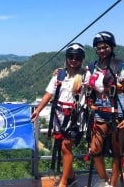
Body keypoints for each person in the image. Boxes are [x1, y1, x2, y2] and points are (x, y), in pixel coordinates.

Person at [31, 43, 87, 187]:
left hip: (74, 118)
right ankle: (71, 176)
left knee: (65, 148)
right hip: (59, 117)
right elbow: (49, 94)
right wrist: (38, 110)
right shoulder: (60, 75)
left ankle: (63, 181)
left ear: (82, 59)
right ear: (66, 58)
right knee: (63, 148)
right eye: (70, 57)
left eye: (77, 58)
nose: (73, 60)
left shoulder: (86, 76)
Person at [86, 31, 124, 187]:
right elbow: (83, 82)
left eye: (104, 47)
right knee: (94, 149)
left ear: (111, 47)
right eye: (98, 48)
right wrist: (61, 71)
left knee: (117, 152)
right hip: (99, 112)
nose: (101, 50)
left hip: (118, 113)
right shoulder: (92, 67)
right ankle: (105, 179)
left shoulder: (121, 66)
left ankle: (112, 184)